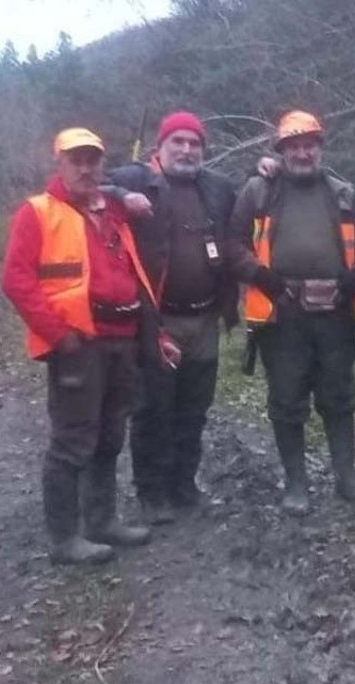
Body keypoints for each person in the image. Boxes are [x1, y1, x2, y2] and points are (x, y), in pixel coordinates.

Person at [2, 128, 157, 566]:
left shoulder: (111, 210)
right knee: (72, 440)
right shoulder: (37, 213)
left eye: (93, 159)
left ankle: (102, 521)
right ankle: (64, 538)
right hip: (78, 344)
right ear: (60, 163)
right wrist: (58, 335)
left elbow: (139, 183)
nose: (86, 168)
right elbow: (16, 281)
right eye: (77, 160)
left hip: (122, 339)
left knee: (111, 434)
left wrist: (123, 195)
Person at [226, 110, 355, 514]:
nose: (301, 152)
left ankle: (346, 478)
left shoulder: (343, 193)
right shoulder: (258, 191)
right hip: (283, 313)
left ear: (319, 147)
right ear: (280, 150)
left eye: (308, 144)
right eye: (293, 146)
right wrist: (263, 277)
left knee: (340, 395)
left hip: (336, 310)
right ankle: (296, 484)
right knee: (286, 398)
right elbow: (233, 244)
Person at [106, 111, 248, 524]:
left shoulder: (218, 189)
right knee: (153, 409)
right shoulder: (137, 179)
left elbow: (252, 212)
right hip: (157, 320)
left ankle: (184, 485)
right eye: (178, 143)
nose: (187, 150)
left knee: (193, 408)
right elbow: (82, 186)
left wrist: (267, 169)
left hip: (205, 319)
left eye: (194, 144)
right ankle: (151, 492)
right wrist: (119, 195)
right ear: (159, 148)